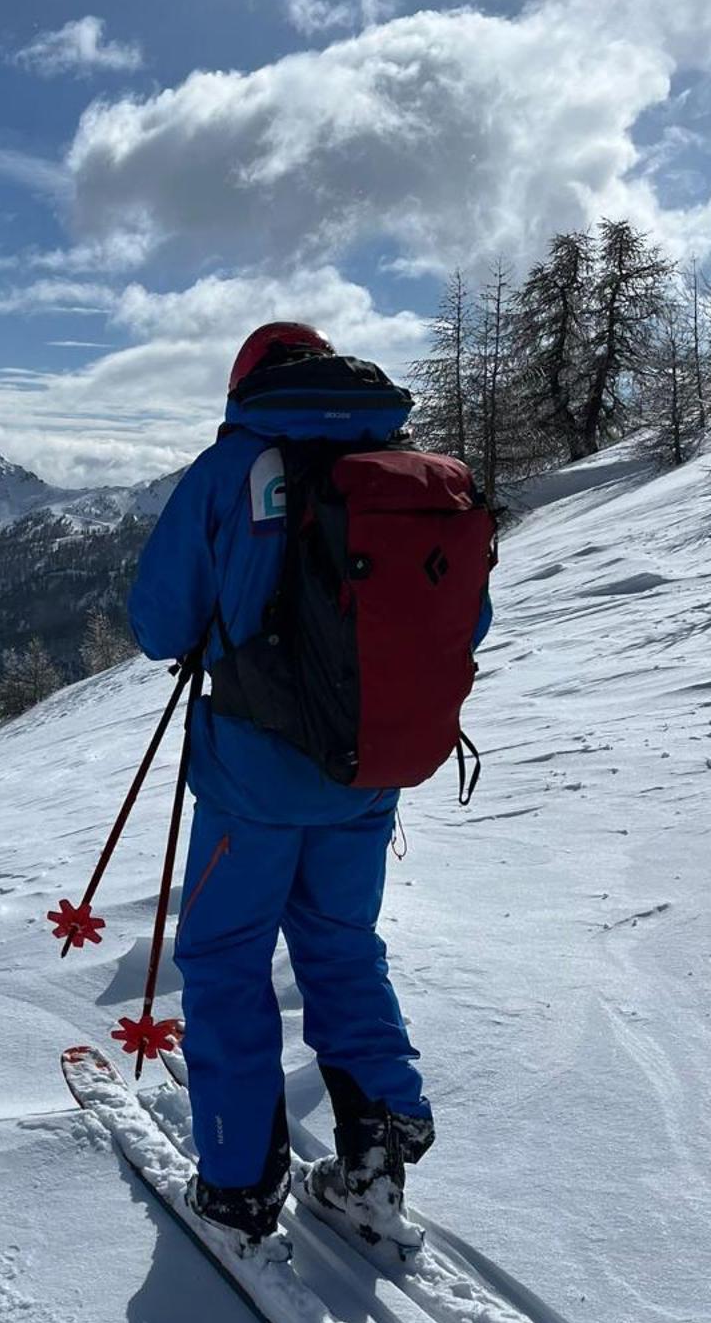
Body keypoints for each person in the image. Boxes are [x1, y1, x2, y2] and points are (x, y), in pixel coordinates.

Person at [127, 322, 491, 1259]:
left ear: (250, 382)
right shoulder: (410, 476)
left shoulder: (235, 470)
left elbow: (160, 622)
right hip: (368, 772)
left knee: (227, 964)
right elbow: (464, 620)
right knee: (339, 945)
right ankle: (376, 1154)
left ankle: (242, 1186)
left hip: (252, 780)